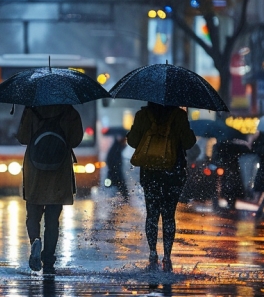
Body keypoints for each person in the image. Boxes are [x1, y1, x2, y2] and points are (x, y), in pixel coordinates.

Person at [127, 102, 196, 272]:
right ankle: (167, 255)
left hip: (150, 172)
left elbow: (133, 141)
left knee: (152, 213)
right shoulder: (179, 116)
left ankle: (152, 252)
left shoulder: (142, 115)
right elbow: (188, 143)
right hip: (173, 172)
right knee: (168, 214)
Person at [16, 104, 83, 276]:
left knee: (33, 214)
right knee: (53, 219)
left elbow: (23, 138)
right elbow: (75, 140)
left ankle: (35, 241)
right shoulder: (69, 112)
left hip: (35, 170)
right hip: (59, 170)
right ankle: (48, 258)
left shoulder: (31, 109)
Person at [212, 138, 250, 210]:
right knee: (230, 186)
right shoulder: (234, 145)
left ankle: (222, 203)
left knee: (221, 185)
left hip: (224, 168)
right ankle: (230, 203)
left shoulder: (218, 145)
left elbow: (215, 158)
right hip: (230, 168)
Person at [105, 133, 129, 202]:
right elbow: (111, 160)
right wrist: (115, 169)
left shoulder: (116, 147)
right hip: (115, 172)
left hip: (114, 171)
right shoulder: (116, 148)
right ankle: (124, 200)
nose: (125, 143)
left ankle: (121, 199)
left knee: (116, 187)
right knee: (120, 186)